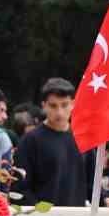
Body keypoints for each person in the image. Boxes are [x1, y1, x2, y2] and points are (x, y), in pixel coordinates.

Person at [15, 78, 91, 207]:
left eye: (64, 105)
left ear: (73, 104)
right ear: (44, 105)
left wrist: (104, 202)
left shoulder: (84, 138)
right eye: (53, 106)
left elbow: (92, 184)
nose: (59, 112)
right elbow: (20, 189)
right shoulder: (30, 141)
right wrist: (39, 214)